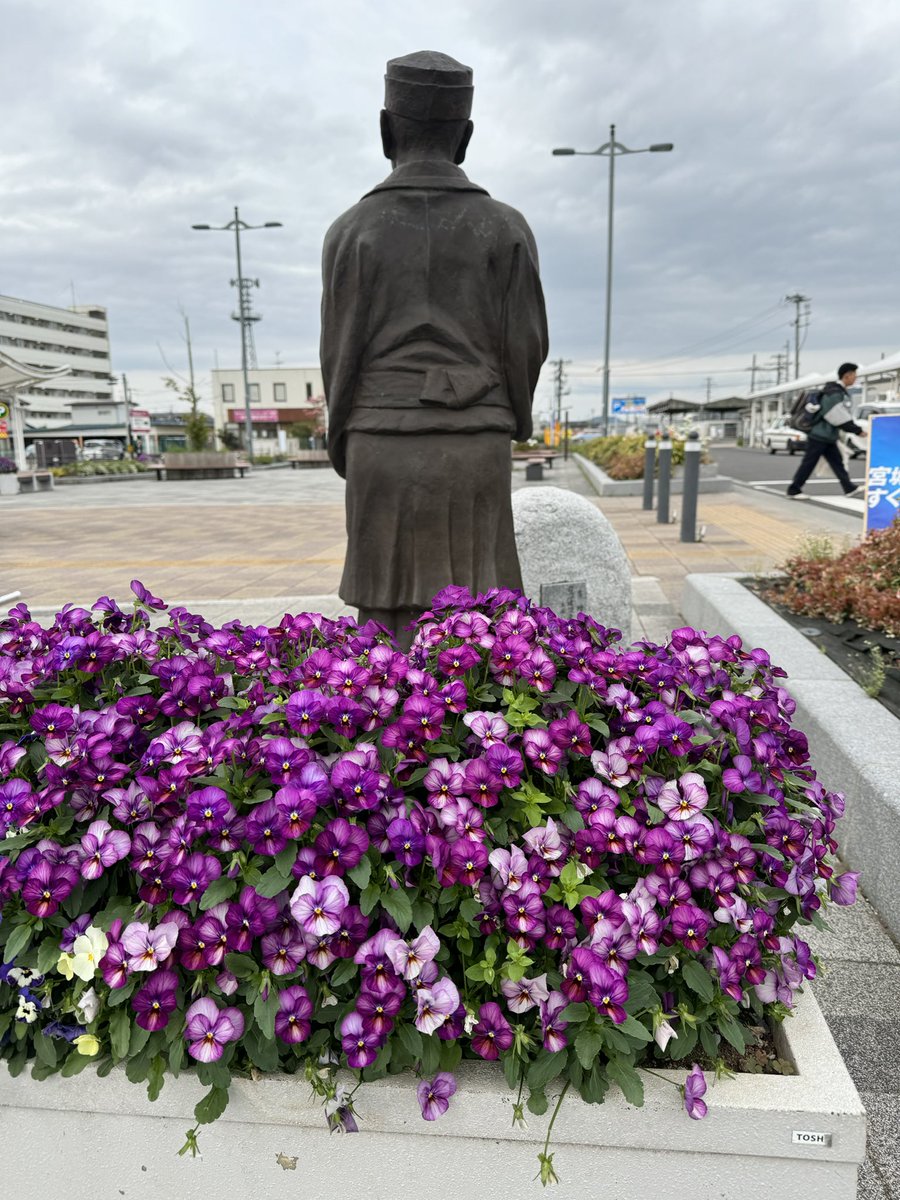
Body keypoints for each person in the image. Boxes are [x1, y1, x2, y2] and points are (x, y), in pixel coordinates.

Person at [320, 51, 549, 647]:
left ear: (385, 129)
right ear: (465, 137)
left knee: (382, 621)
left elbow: (338, 351)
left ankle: (387, 737)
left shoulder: (352, 229)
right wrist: (510, 417)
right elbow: (525, 343)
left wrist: (344, 434)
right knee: (482, 618)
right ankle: (486, 737)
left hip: (379, 437)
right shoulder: (506, 227)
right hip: (475, 436)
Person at [787, 362, 866, 499]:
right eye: (854, 375)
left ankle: (848, 488)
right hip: (819, 435)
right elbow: (836, 415)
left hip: (827, 436)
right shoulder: (834, 393)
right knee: (809, 462)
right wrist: (857, 430)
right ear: (847, 376)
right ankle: (793, 490)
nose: (855, 378)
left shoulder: (835, 391)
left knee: (837, 462)